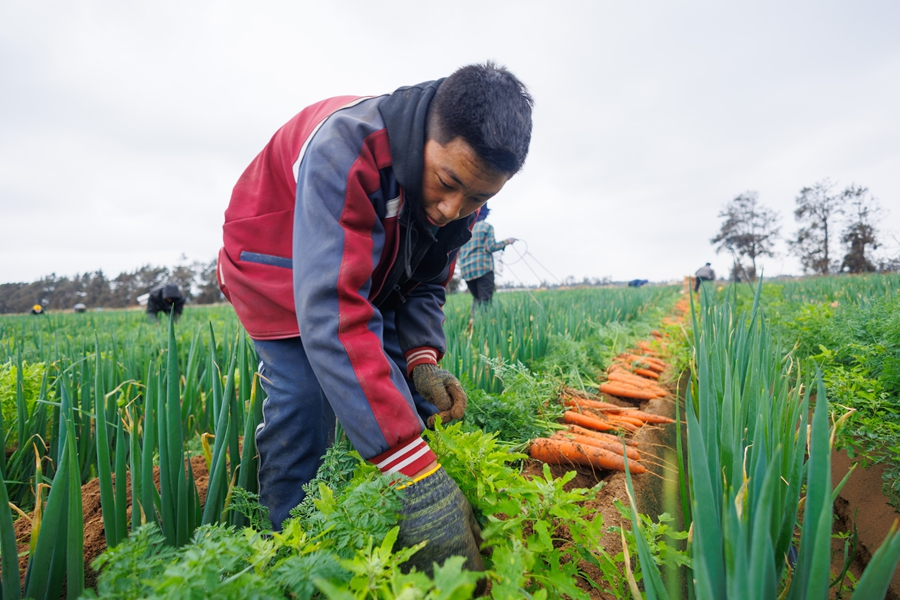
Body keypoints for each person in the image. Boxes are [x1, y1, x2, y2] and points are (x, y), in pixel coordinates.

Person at [216, 62, 533, 575]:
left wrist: (422, 360)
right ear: (428, 135)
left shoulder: (460, 198)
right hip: (278, 261)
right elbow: (334, 310)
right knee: (304, 396)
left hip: (371, 267)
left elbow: (426, 282)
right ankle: (290, 551)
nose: (453, 209)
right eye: (448, 183)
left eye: (478, 198)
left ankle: (412, 531)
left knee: (410, 398)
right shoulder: (346, 148)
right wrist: (413, 474)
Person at [457, 203, 515, 313]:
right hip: (483, 269)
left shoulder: (465, 230)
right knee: (485, 302)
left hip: (467, 272)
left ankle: (473, 321)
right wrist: (507, 242)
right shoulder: (486, 227)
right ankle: (484, 322)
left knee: (477, 298)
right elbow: (491, 247)